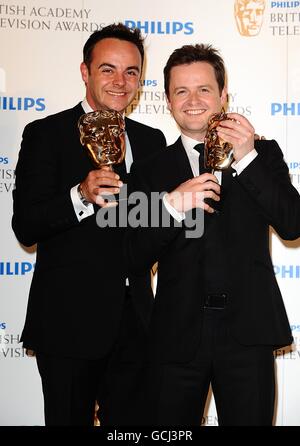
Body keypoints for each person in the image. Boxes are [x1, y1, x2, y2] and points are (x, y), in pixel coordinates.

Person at [124, 43, 300, 425]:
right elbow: (134, 255)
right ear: (168, 101)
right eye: (181, 91)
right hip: (175, 335)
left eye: (204, 89)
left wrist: (247, 157)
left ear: (223, 95)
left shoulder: (262, 154)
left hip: (248, 332)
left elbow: (292, 223)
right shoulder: (150, 170)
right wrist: (170, 206)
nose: (193, 100)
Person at [12, 23, 166, 426]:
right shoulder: (46, 135)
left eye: (131, 72)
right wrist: (79, 195)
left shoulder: (152, 141)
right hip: (69, 324)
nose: (121, 81)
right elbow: (26, 225)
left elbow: (153, 229)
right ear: (85, 72)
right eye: (108, 69)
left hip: (138, 327)